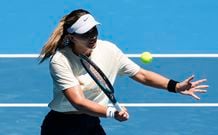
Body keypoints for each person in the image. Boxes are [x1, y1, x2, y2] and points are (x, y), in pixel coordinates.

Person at [39, 9, 208, 135]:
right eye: (85, 34)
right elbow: (78, 102)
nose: (92, 36)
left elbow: (141, 74)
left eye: (94, 31)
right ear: (72, 37)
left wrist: (175, 86)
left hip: (91, 122)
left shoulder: (109, 50)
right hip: (61, 127)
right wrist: (111, 112)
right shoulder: (60, 60)